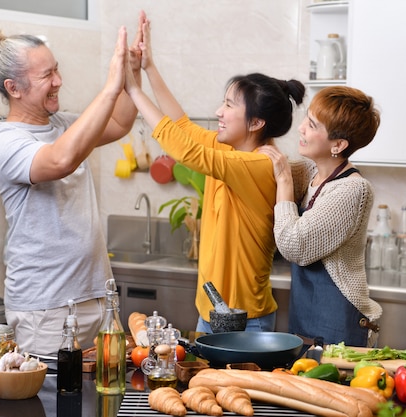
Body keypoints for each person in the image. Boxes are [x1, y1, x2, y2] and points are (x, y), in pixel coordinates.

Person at [124, 12, 305, 333]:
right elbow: (181, 126)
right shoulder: (229, 149)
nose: (218, 113)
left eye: (229, 106)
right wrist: (149, 68)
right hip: (210, 314)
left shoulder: (261, 164)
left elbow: (186, 150)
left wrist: (134, 90)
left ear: (255, 123)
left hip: (246, 321)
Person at [0, 26, 141, 355]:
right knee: (53, 406)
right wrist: (110, 87)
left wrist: (131, 72)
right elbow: (60, 161)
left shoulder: (63, 124)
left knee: (101, 402)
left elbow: (121, 123)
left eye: (57, 70)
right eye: (46, 75)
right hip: (46, 309)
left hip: (96, 297)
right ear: (14, 88)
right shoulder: (3, 140)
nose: (58, 81)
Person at [260, 86, 383, 347]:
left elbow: (294, 245)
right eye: (307, 118)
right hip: (305, 321)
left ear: (338, 145)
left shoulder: (353, 189)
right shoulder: (309, 172)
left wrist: (283, 179)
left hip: (339, 326)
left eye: (312, 125)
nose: (301, 128)